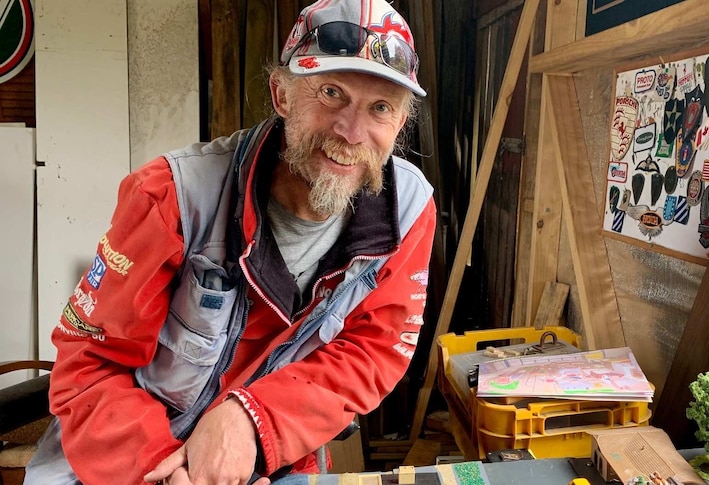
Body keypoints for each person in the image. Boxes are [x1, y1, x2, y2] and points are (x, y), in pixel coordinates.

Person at [24, 0, 434, 483]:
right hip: (122, 459)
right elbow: (89, 366)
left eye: (380, 108)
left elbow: (373, 349)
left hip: (266, 459)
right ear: (281, 94)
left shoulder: (406, 212)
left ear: (400, 123)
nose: (351, 131)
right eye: (330, 93)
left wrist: (252, 421)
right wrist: (161, 468)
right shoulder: (170, 197)